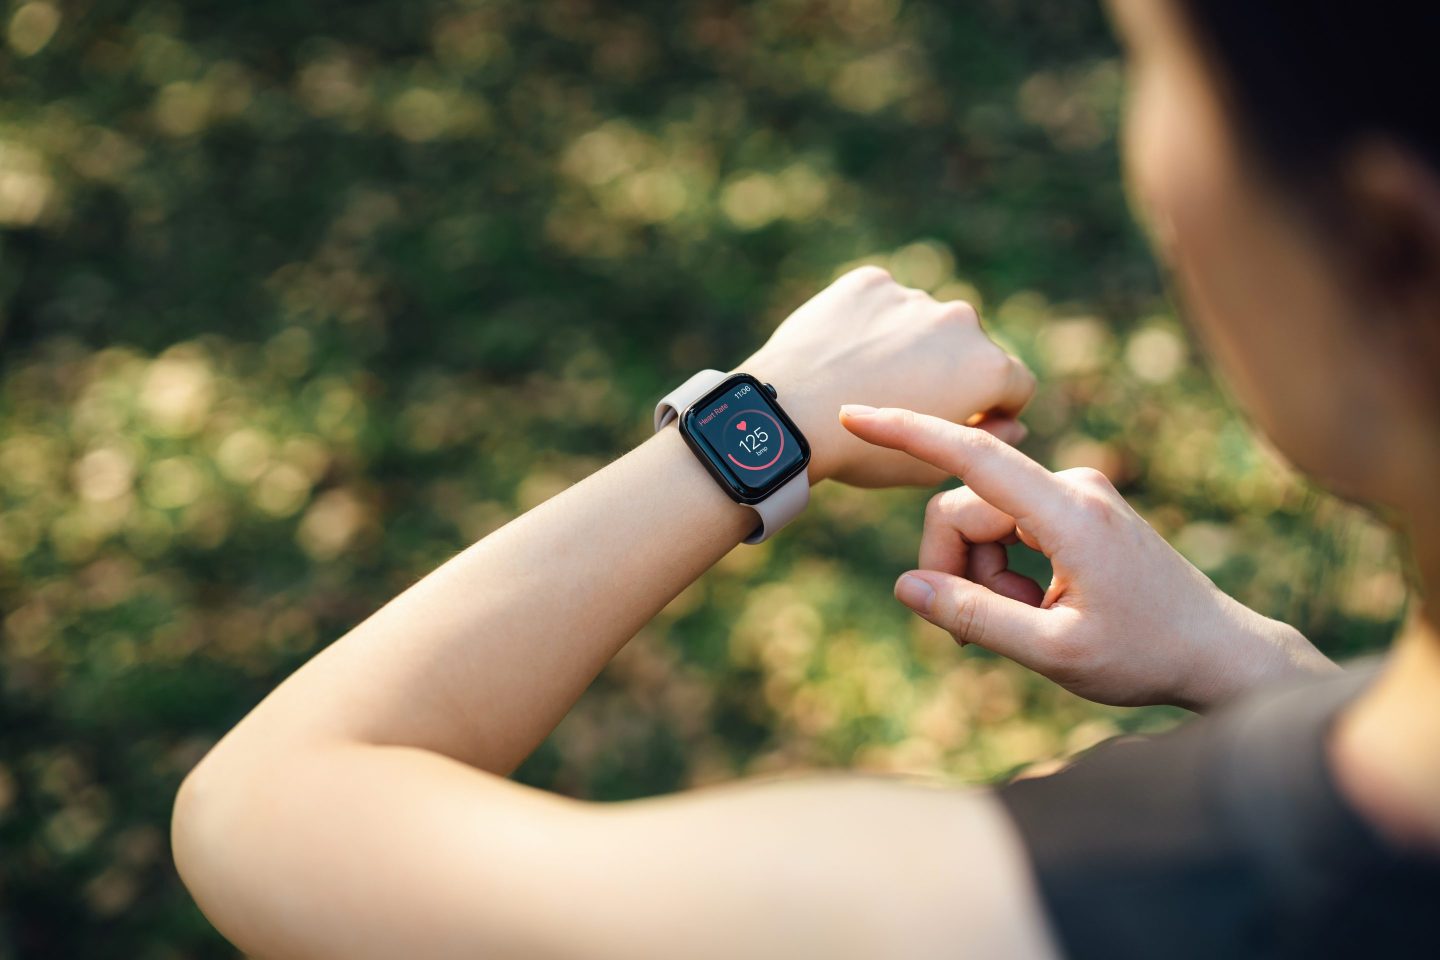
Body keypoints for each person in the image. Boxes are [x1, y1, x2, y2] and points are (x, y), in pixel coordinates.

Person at [169, 0, 1440, 956]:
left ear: (1392, 249)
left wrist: (754, 422)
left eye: (1159, 65)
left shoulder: (1039, 905)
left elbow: (262, 803)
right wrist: (1264, 672)